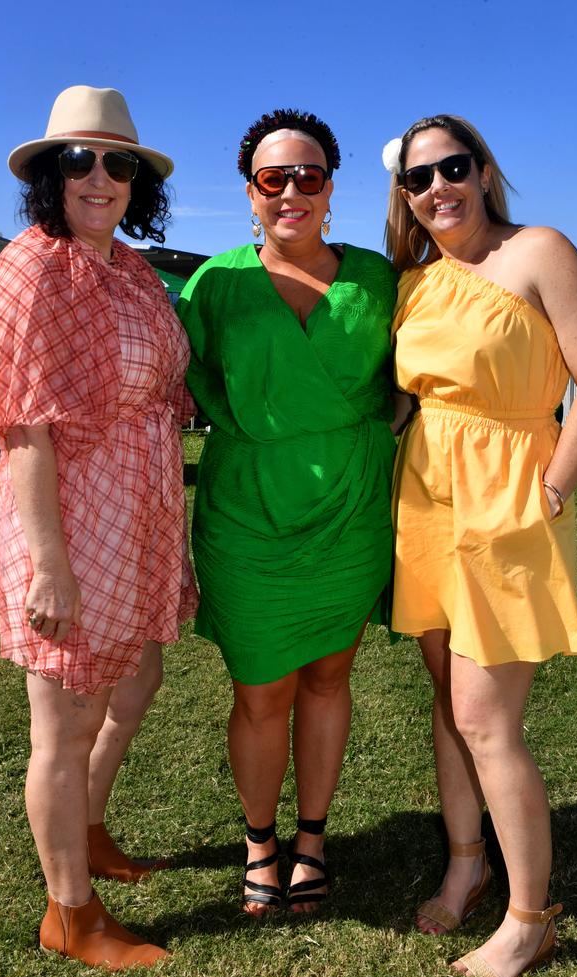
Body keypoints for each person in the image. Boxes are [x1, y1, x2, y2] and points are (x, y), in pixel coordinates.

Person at [382, 115, 577, 977]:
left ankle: (531, 918)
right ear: (405, 195)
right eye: (419, 178)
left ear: (483, 171)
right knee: (448, 702)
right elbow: (409, 399)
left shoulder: (539, 251)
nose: (438, 187)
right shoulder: (413, 281)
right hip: (429, 497)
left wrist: (554, 486)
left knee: (488, 719)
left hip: (511, 495)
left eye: (452, 167)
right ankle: (465, 864)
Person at [0, 85, 197, 969]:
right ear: (48, 176)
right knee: (64, 718)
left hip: (135, 504)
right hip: (64, 511)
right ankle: (70, 913)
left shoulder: (130, 270)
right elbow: (23, 425)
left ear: (137, 180)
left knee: (136, 679)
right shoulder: (29, 270)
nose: (100, 177)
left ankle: (89, 830)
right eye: (80, 160)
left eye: (119, 163)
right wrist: (49, 564)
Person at [177, 110, 396, 915]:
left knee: (331, 677)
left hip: (351, 509)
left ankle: (312, 838)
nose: (293, 190)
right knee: (261, 689)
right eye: (276, 178)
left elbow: (424, 366)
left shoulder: (379, 277)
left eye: (310, 175)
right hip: (247, 513)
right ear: (251, 193)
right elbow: (173, 376)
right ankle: (258, 841)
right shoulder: (216, 283)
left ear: (331, 188)